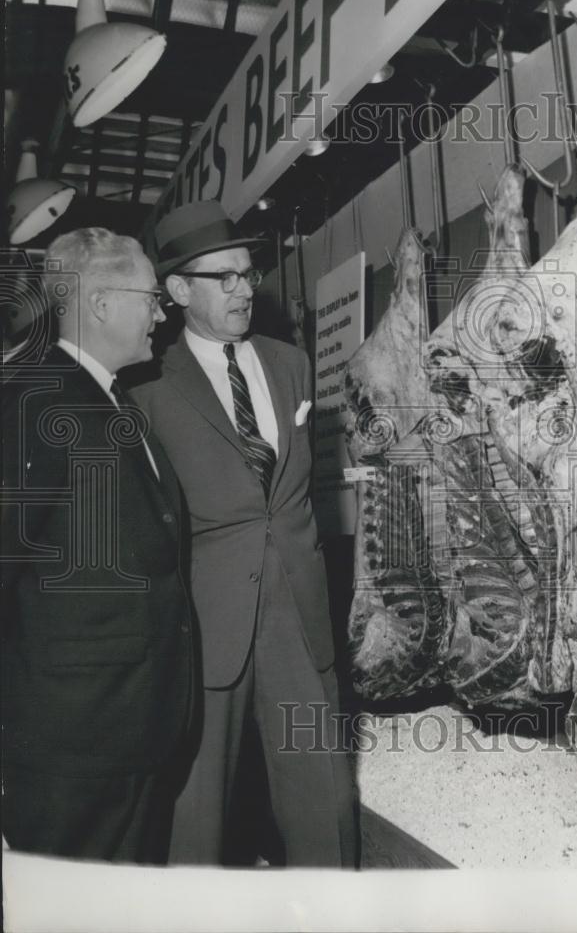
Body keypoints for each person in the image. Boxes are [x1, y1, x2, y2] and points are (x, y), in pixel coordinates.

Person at [132, 200, 357, 867]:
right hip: (205, 626)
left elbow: (296, 492)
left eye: (246, 273)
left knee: (326, 804)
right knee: (193, 817)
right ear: (176, 291)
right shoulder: (143, 386)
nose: (242, 289)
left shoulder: (290, 363)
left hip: (299, 614)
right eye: (222, 277)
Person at [1, 228, 195, 863]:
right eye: (151, 298)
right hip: (70, 746)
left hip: (131, 734)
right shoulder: (30, 401)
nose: (162, 314)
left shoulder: (113, 401)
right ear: (104, 304)